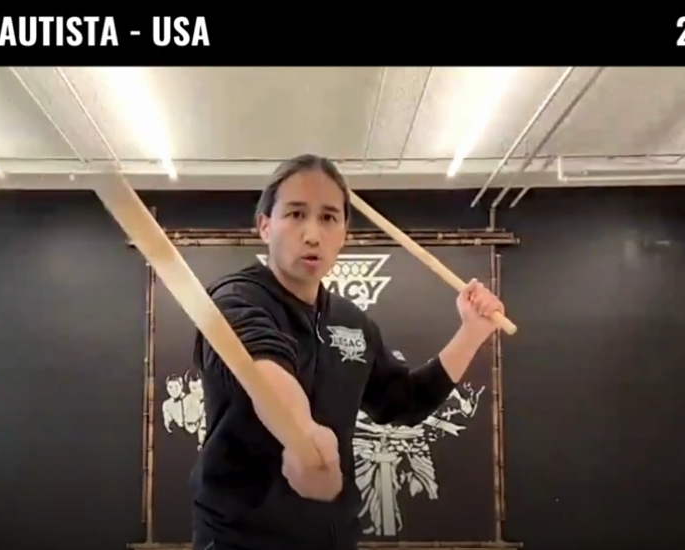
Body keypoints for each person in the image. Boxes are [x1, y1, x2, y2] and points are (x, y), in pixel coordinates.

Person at [190, 154, 505, 550]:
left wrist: (473, 332)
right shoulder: (234, 300)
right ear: (265, 226)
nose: (312, 234)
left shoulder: (352, 322)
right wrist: (303, 435)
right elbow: (263, 369)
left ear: (344, 233)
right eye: (296, 214)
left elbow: (404, 403)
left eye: (328, 217)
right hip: (240, 540)